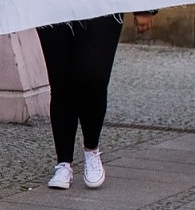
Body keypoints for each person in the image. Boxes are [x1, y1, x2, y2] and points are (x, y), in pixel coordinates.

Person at [37, 12, 150, 189]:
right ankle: (64, 162)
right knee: (61, 79)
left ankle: (91, 149)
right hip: (54, 1)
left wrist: (145, 9)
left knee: (94, 78)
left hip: (103, 3)